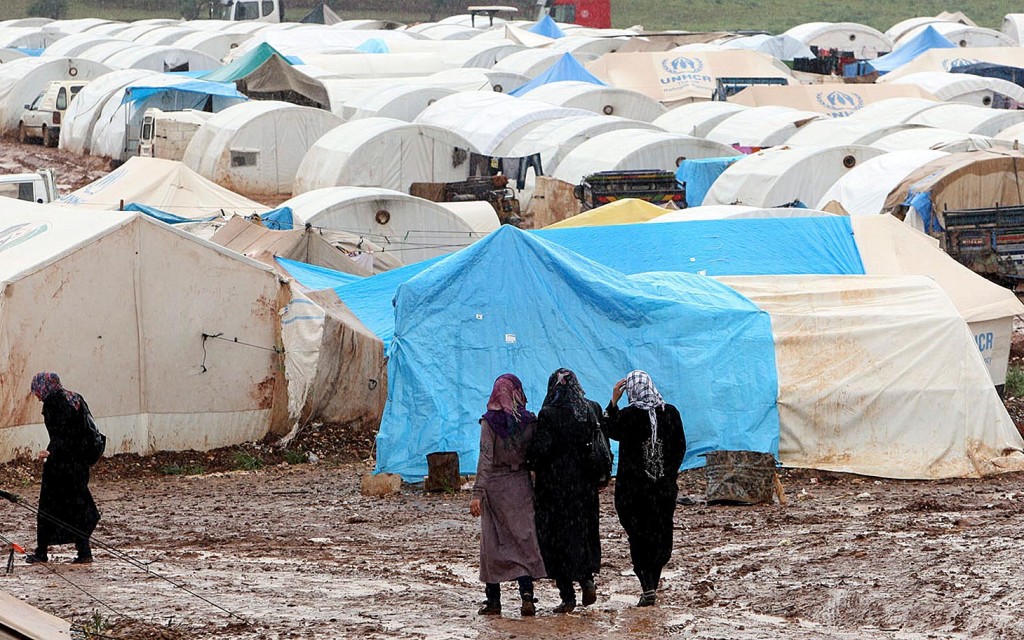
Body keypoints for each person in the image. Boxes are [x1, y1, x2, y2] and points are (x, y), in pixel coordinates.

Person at [603, 370, 685, 606]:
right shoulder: (670, 413)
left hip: (633, 493)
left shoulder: (628, 416)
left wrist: (613, 401)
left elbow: (608, 427)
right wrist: (667, 474)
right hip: (662, 491)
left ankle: (647, 584)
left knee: (638, 537)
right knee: (660, 536)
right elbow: (679, 447)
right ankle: (652, 580)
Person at [470, 374, 546, 617]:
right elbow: (536, 457)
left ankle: (493, 600)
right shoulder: (528, 421)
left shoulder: (489, 422)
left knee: (493, 543)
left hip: (495, 486)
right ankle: (527, 595)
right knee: (523, 539)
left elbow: (485, 458)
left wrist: (477, 493)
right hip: (521, 485)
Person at [528, 368, 603, 613]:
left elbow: (540, 452)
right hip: (584, 488)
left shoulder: (549, 414)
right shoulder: (590, 409)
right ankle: (586, 579)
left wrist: (530, 458)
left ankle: (567, 596)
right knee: (582, 535)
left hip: (554, 490)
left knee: (556, 540)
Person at [26, 373, 100, 565]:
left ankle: (41, 551)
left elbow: (62, 432)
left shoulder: (53, 402)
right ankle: (84, 551)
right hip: (80, 463)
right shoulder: (75, 398)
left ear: (44, 387)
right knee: (78, 504)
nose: (36, 396)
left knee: (48, 507)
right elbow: (82, 430)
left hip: (61, 464)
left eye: (37, 391)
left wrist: (49, 452)